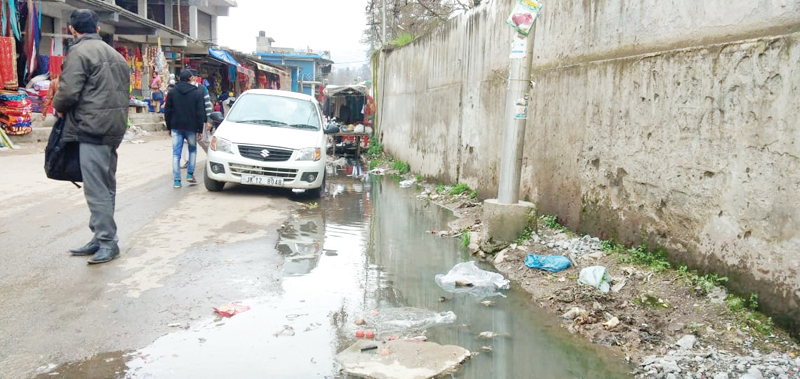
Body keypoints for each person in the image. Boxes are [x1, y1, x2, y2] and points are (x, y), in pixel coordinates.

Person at [53, 9, 130, 265]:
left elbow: (68, 92)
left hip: (92, 128)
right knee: (106, 186)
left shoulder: (79, 52)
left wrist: (58, 107)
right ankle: (99, 236)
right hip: (113, 128)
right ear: (97, 28)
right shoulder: (117, 56)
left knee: (96, 188)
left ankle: (108, 241)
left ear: (73, 30)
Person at [164, 69, 205, 188]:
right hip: (191, 127)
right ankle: (189, 174)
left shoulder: (172, 93)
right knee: (192, 150)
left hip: (176, 127)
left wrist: (169, 127)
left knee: (176, 154)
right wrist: (200, 129)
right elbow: (200, 112)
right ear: (190, 79)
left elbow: (167, 111)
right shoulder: (197, 92)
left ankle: (177, 181)